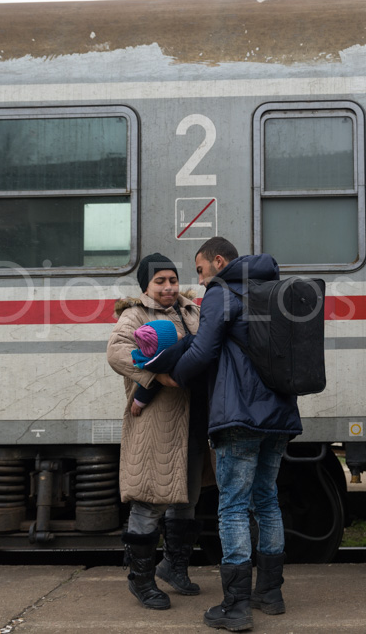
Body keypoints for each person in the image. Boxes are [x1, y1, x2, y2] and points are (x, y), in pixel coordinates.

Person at [151, 236, 302, 632]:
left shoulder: (222, 291)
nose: (199, 281)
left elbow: (204, 350)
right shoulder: (274, 288)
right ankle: (269, 593)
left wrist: (172, 378)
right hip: (280, 413)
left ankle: (235, 606)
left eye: (200, 270)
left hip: (240, 414)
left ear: (218, 261)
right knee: (266, 500)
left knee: (232, 506)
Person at [106, 253, 206, 610]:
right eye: (160, 281)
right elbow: (117, 352)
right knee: (149, 499)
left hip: (192, 422)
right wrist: (154, 377)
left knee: (185, 497)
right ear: (146, 285)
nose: (168, 287)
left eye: (172, 280)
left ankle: (174, 567)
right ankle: (141, 580)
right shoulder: (135, 313)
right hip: (157, 422)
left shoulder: (191, 309)